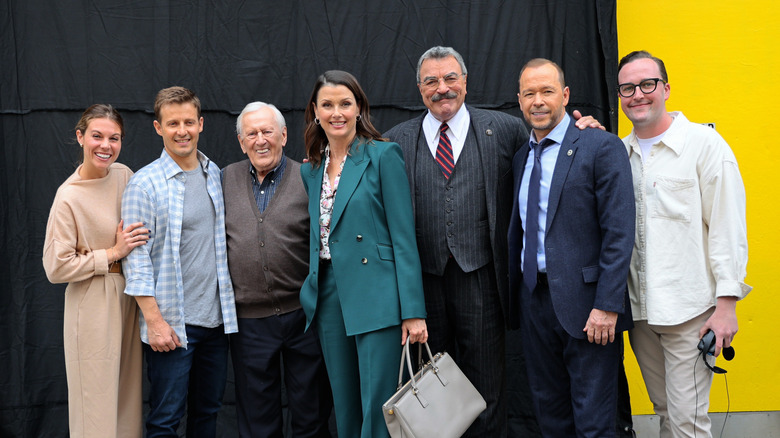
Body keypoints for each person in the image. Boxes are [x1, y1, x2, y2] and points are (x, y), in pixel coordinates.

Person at [383, 45, 602, 436]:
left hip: (482, 280)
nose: (442, 88)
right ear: (420, 89)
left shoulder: (504, 129)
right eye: (431, 81)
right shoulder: (395, 141)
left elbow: (551, 149)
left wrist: (583, 133)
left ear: (465, 82)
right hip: (423, 287)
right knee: (431, 394)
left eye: (451, 78)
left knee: (488, 390)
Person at [617, 50, 751, 437]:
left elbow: (728, 227)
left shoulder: (704, 145)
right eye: (628, 88)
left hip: (690, 313)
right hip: (641, 313)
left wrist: (726, 305)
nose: (638, 94)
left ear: (666, 88)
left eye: (647, 84)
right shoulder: (619, 154)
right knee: (666, 413)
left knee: (688, 421)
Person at [507, 58, 635, 437]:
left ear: (565, 95)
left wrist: (608, 305)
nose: (538, 101)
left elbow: (619, 231)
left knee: (595, 424)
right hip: (535, 304)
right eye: (529, 93)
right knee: (551, 419)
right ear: (519, 100)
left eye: (547, 91)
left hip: (589, 307)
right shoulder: (521, 158)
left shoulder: (600, 146)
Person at [299, 70, 428, 438]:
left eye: (345, 103)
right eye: (327, 105)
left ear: (359, 109)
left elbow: (403, 239)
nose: (336, 112)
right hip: (328, 296)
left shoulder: (382, 155)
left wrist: (413, 312)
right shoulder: (312, 169)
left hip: (377, 295)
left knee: (378, 406)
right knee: (346, 406)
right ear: (315, 111)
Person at [121, 86, 238, 437]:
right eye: (173, 124)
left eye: (189, 122)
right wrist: (154, 322)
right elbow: (136, 260)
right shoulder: (144, 185)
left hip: (216, 324)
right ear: (159, 128)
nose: (182, 130)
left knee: (207, 414)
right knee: (165, 419)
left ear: (201, 124)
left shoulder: (213, 174)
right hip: (172, 327)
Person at [223, 101, 332, 437]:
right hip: (250, 322)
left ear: (283, 135)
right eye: (251, 134)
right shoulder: (224, 178)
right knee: (257, 420)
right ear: (241, 142)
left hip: (305, 316)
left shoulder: (310, 176)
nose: (260, 140)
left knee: (311, 414)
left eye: (267, 131)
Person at [42, 104, 148, 437]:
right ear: (80, 137)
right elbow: (56, 266)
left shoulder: (124, 175)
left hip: (126, 298)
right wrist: (112, 253)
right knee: (95, 405)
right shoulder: (68, 197)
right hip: (90, 302)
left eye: (113, 138)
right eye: (97, 136)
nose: (105, 145)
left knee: (126, 402)